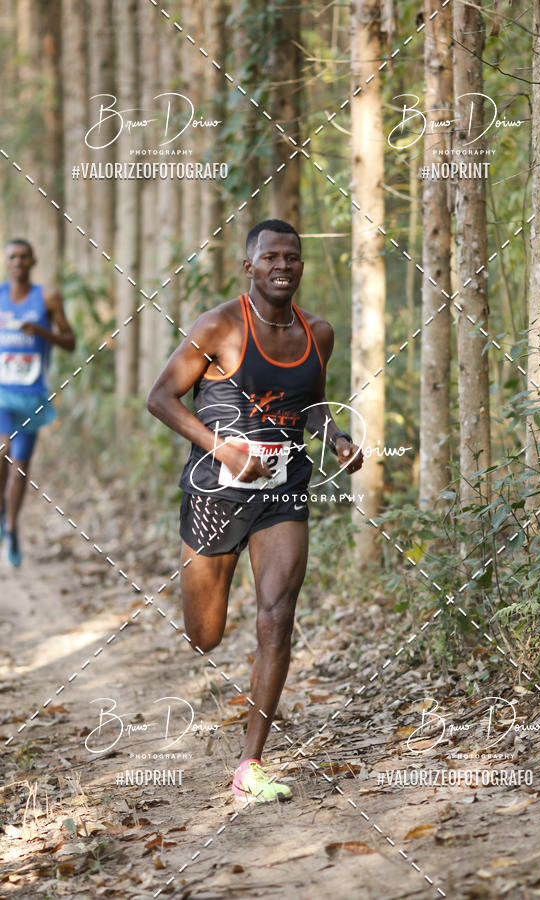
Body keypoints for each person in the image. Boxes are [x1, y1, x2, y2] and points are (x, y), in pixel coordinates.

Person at [147, 219, 363, 803]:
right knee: (205, 636)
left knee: (277, 615)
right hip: (215, 493)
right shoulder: (217, 325)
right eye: (271, 257)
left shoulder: (319, 333)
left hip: (283, 490)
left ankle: (250, 764)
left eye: (292, 257)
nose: (283, 266)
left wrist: (336, 439)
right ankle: (204, 591)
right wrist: (223, 448)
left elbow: (310, 405)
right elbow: (160, 397)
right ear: (250, 266)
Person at [0, 239, 76, 567]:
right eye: (12, 257)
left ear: (33, 261)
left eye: (23, 256)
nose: (17, 262)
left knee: (20, 469)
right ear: (6, 263)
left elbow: (70, 342)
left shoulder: (46, 298)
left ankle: (12, 526)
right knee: (3, 451)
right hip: (2, 392)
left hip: (31, 396)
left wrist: (40, 332)